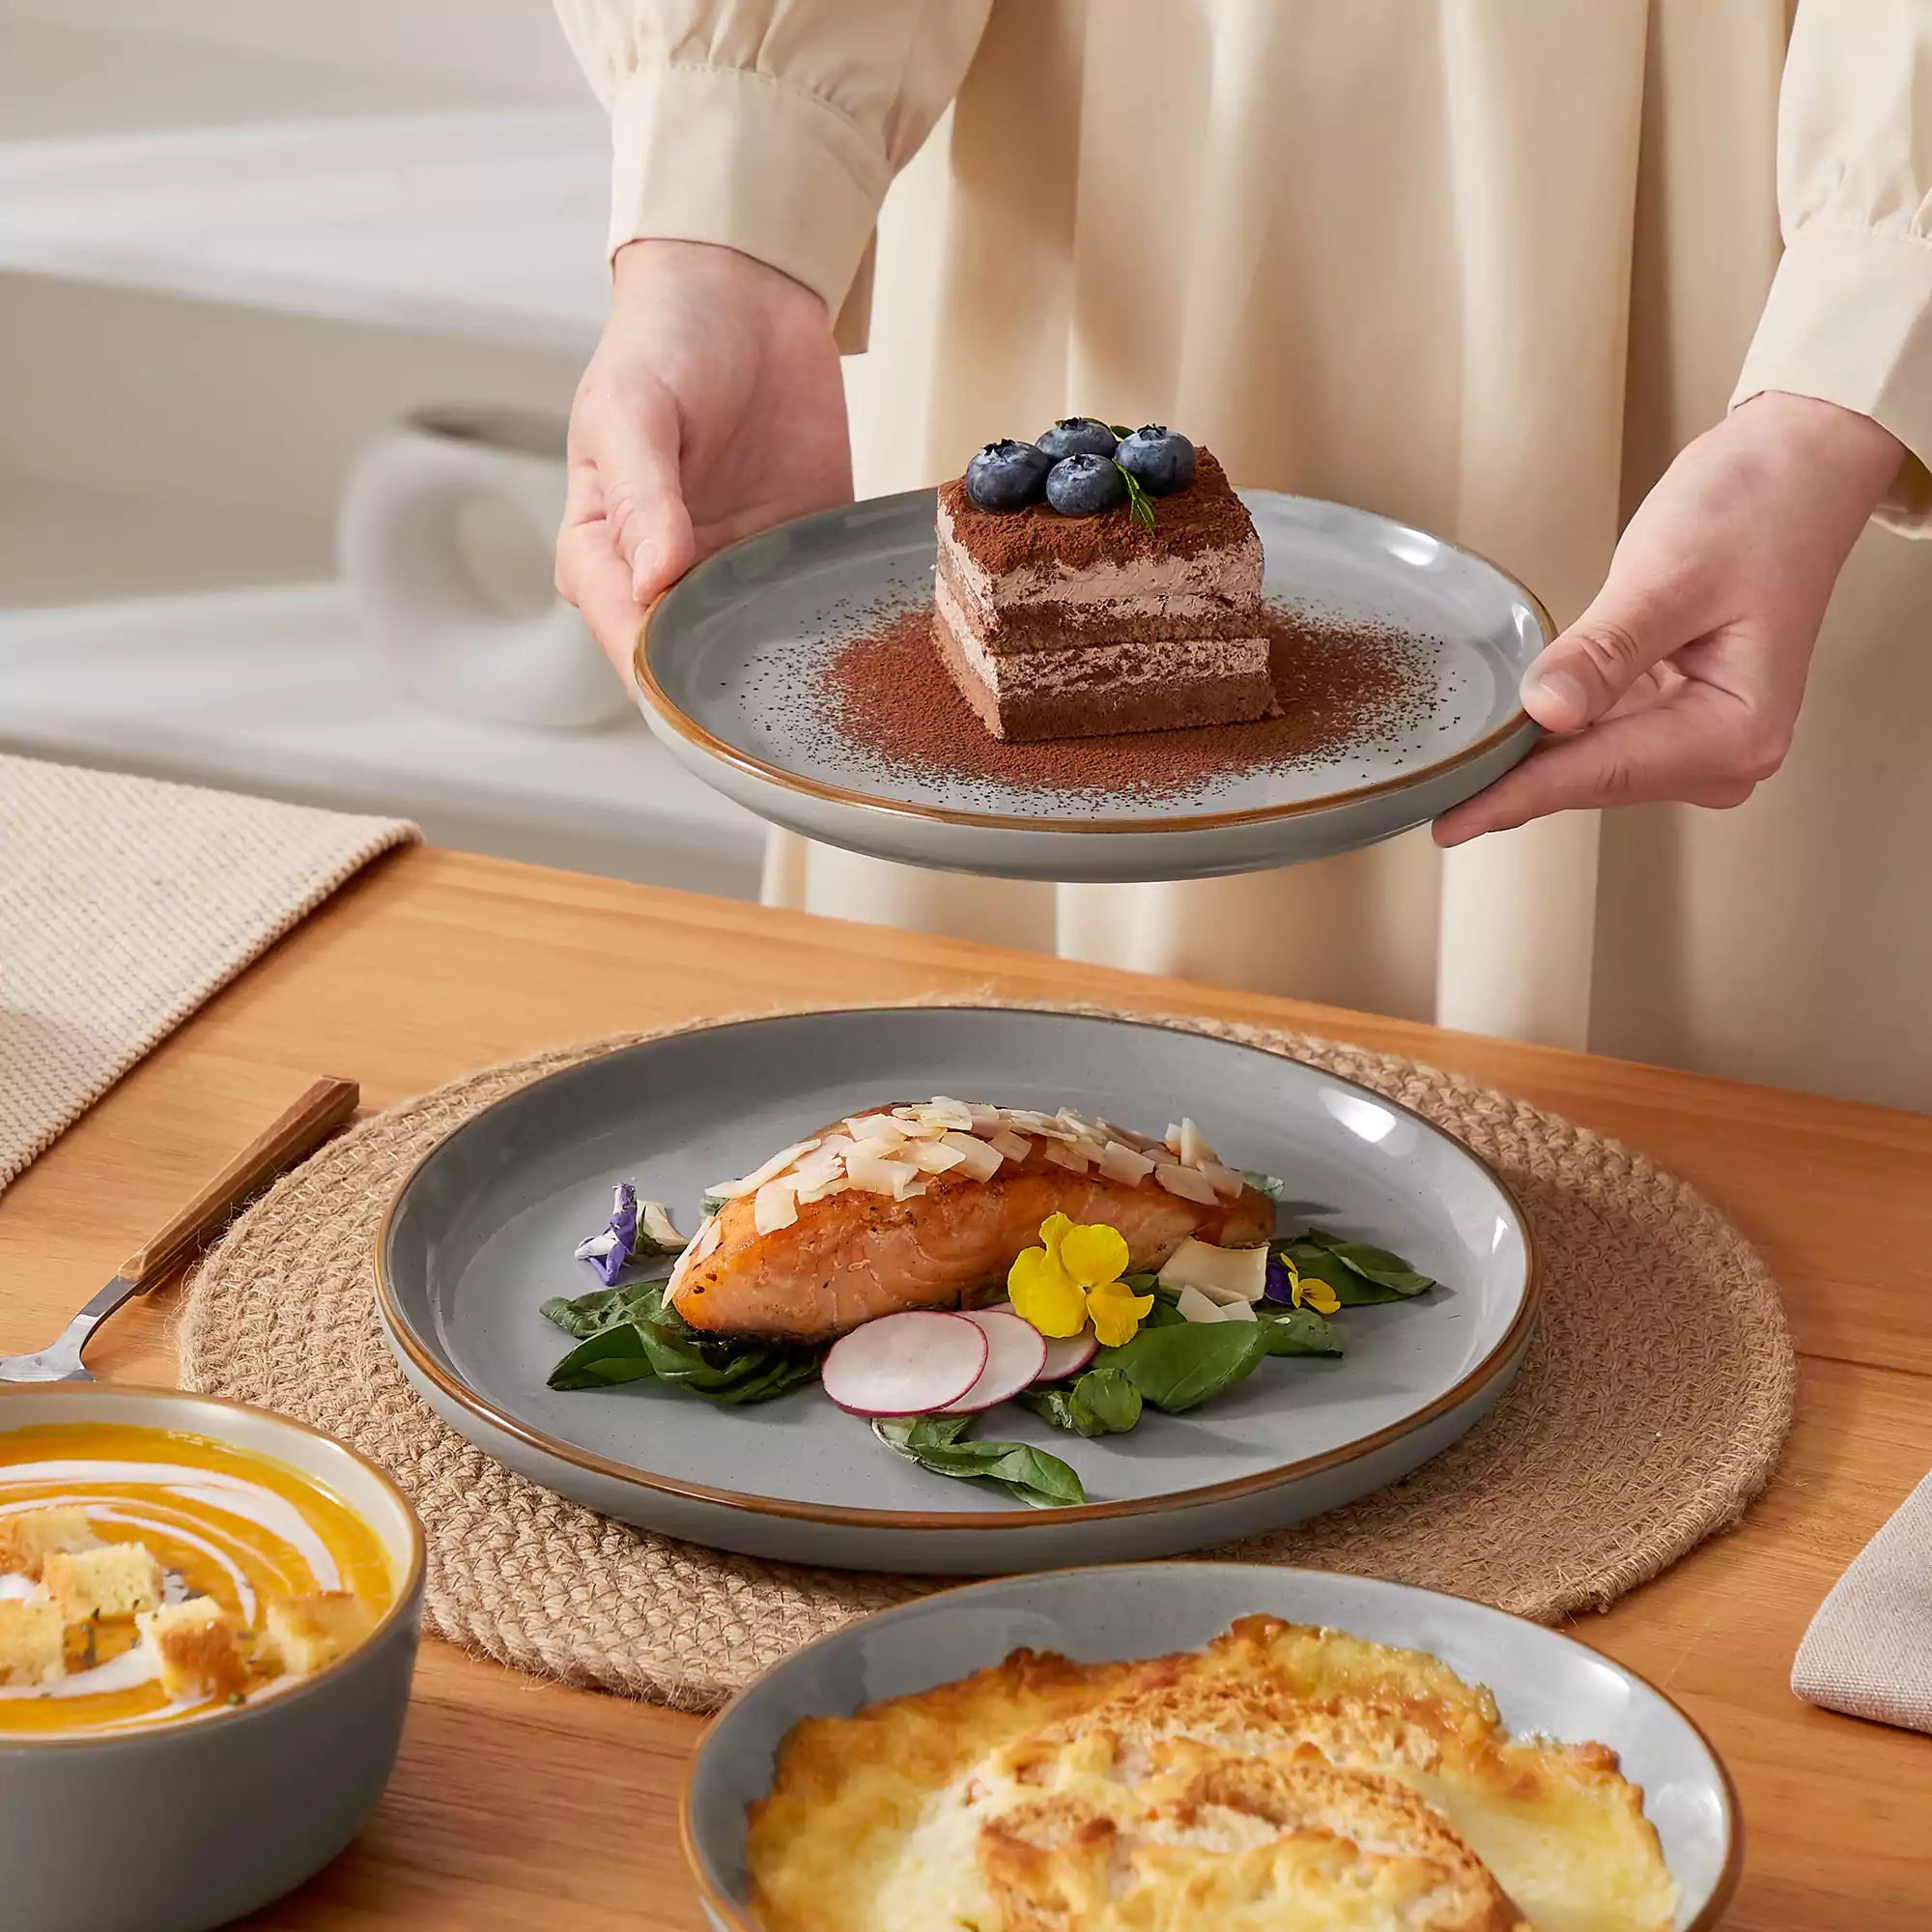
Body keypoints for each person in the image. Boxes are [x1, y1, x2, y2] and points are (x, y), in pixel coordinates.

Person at [550, 1, 1932, 1110]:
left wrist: (1859, 352)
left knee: (1692, 1239)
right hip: (1083, 150)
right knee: (977, 1150)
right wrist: (730, 208)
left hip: (1743, 253)